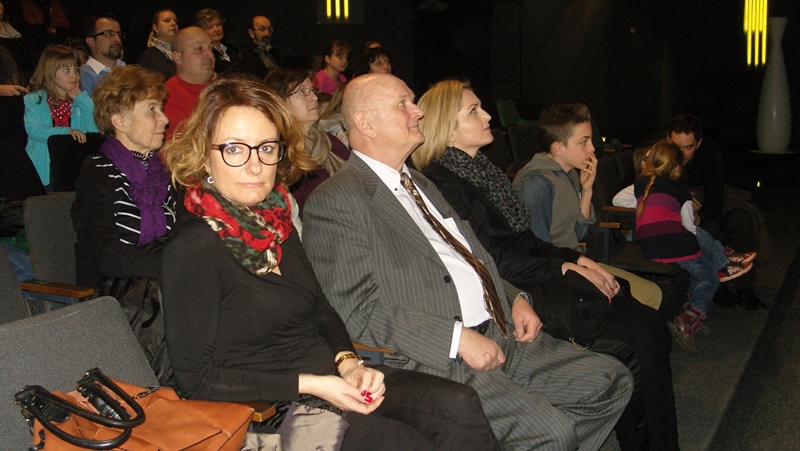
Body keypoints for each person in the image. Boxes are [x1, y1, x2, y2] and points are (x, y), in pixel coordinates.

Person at [159, 76, 501, 450]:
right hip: (271, 406)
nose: (256, 166)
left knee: (457, 403)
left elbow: (321, 310)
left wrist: (349, 364)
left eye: (266, 147)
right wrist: (314, 384)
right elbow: (196, 379)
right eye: (235, 149)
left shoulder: (275, 223)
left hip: (331, 381)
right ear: (204, 154)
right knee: (406, 440)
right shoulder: (193, 247)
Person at [302, 73, 632, 450]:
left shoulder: (421, 183)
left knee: (612, 382)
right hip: (438, 356)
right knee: (553, 433)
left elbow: (472, 259)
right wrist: (456, 339)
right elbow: (355, 309)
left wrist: (515, 298)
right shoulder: (337, 200)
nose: (417, 111)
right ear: (365, 123)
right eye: (403, 104)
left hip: (500, 330)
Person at [414, 79, 678, 450]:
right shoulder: (441, 183)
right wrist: (564, 269)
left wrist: (579, 259)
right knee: (636, 336)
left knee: (646, 321)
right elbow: (487, 260)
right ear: (448, 127)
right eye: (474, 110)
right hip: (511, 293)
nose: (487, 115)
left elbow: (526, 240)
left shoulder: (482, 171)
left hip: (531, 276)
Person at [513, 103, 663, 309]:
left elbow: (578, 232)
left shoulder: (569, 174)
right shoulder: (536, 185)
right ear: (558, 148)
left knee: (652, 293)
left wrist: (587, 190)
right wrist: (587, 273)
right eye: (584, 142)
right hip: (558, 276)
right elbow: (539, 255)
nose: (592, 148)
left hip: (577, 262)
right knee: (641, 303)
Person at [71, 65, 176, 289]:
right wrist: (176, 267)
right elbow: (105, 253)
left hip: (166, 280)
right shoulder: (97, 172)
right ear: (120, 122)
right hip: (117, 288)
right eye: (151, 109)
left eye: (161, 108)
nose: (165, 119)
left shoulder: (164, 171)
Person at [667, 113, 768, 310]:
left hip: (703, 207)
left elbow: (715, 197)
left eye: (688, 147)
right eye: (675, 146)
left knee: (742, 219)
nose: (681, 153)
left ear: (698, 143)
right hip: (673, 215)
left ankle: (744, 289)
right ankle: (718, 286)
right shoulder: (655, 151)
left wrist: (700, 215)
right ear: (667, 139)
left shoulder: (710, 152)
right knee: (711, 231)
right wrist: (679, 195)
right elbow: (639, 188)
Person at [265, 67, 350, 213]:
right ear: (279, 101)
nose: (314, 97)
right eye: (302, 92)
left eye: (313, 90)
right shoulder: (279, 153)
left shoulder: (329, 140)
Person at [24, 45, 97, 188]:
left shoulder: (80, 102)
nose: (74, 75)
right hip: (45, 169)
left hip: (73, 167)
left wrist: (82, 99)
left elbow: (95, 129)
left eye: (76, 70)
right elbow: (34, 130)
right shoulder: (34, 99)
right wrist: (66, 132)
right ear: (50, 72)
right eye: (66, 70)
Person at [163, 26, 214, 140]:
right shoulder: (167, 97)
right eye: (199, 49)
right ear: (178, 58)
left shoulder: (221, 88)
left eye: (211, 48)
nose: (209, 55)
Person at [80, 13, 125, 96]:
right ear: (91, 42)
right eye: (108, 34)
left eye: (119, 34)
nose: (117, 39)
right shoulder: (83, 77)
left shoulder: (129, 71)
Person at [194, 8, 240, 75]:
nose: (216, 29)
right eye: (210, 27)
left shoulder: (231, 50)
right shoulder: (204, 55)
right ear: (201, 31)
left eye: (218, 25)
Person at [138, 9, 179, 81]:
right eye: (167, 20)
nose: (173, 23)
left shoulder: (182, 52)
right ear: (155, 28)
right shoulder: (150, 56)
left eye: (175, 21)